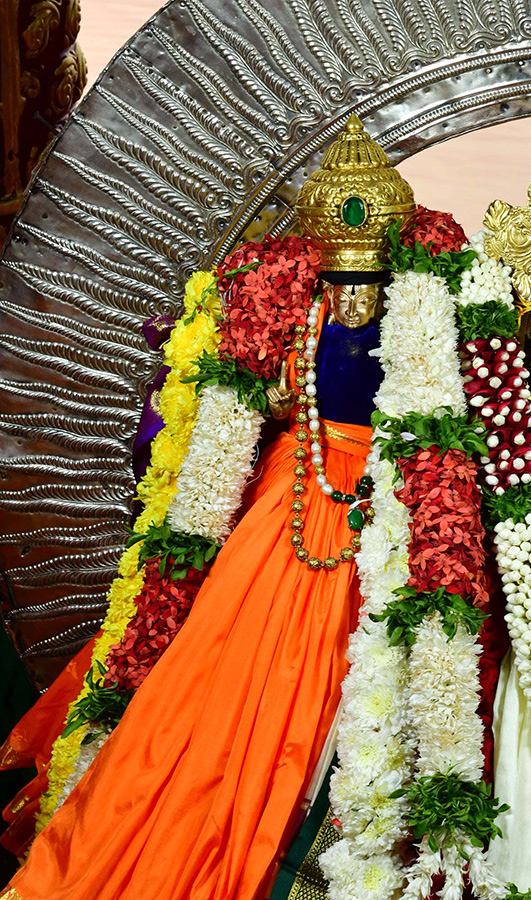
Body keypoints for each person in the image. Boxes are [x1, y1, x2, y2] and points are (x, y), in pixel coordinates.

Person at [1, 117, 412, 900]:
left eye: (365, 286)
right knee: (210, 675)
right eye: (341, 284)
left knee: (342, 686)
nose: (353, 299)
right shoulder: (286, 306)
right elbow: (245, 412)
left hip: (365, 513)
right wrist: (283, 403)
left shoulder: (424, 311)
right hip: (284, 509)